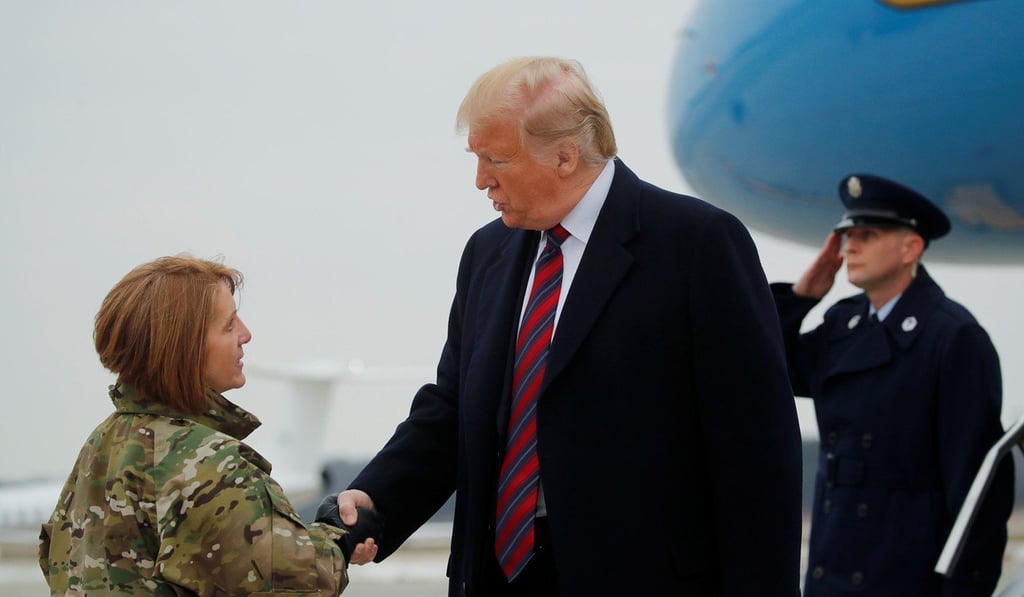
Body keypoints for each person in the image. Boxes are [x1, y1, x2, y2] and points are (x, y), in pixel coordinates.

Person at [330, 56, 804, 596]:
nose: (481, 180)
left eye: (495, 159)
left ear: (564, 155)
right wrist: (375, 497)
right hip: (498, 576)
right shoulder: (487, 252)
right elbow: (454, 410)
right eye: (476, 158)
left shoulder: (696, 245)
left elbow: (756, 453)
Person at [38, 255, 375, 596]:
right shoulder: (204, 461)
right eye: (228, 325)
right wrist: (338, 534)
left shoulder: (100, 446)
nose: (246, 335)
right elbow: (298, 584)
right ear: (184, 348)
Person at [770, 174, 1014, 596]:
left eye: (867, 235)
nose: (850, 247)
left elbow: (978, 490)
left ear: (910, 248)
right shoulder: (843, 325)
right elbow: (775, 369)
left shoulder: (952, 336)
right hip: (833, 561)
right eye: (847, 235)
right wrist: (800, 297)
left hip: (906, 573)